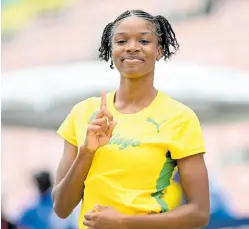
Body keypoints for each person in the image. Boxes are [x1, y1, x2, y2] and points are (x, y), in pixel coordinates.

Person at [53, 9, 210, 229]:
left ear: (159, 51)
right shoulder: (83, 113)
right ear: (111, 50)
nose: (132, 46)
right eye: (121, 41)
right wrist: (86, 153)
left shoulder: (180, 118)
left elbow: (199, 213)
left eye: (144, 40)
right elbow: (61, 208)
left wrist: (124, 222)